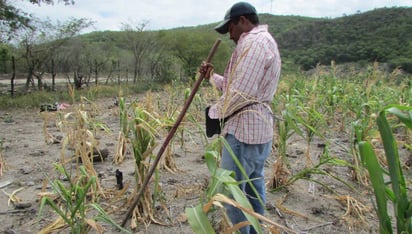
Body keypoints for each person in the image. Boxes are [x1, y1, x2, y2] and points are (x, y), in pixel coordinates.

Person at [201, 2, 281, 233]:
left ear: (243, 21)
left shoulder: (254, 43)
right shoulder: (262, 42)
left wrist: (213, 114)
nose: (229, 35)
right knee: (253, 186)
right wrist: (211, 77)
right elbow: (236, 87)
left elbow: (241, 93)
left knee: (232, 191)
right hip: (258, 128)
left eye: (231, 29)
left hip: (244, 129)